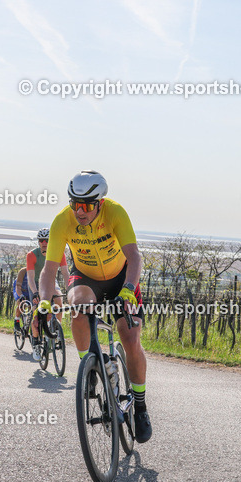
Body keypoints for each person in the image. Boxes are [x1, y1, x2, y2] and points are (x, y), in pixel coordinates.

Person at [38, 171, 151, 443]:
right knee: (77, 307)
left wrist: (128, 290)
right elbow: (49, 270)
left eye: (87, 205)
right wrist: (43, 303)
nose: (80, 211)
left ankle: (140, 405)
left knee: (130, 336)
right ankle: (88, 368)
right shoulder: (62, 221)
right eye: (74, 204)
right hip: (86, 276)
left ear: (100, 202)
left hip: (122, 277)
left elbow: (134, 256)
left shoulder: (115, 212)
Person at [27, 227, 66, 361]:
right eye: (41, 240)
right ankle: (37, 343)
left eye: (47, 240)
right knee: (36, 316)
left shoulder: (59, 253)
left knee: (59, 301)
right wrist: (35, 293)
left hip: (51, 282)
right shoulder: (32, 255)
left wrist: (71, 290)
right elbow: (31, 278)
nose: (44, 243)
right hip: (36, 285)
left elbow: (66, 273)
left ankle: (57, 328)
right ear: (38, 242)